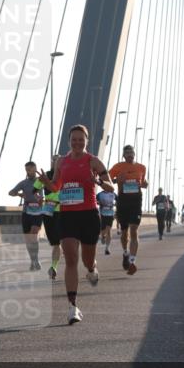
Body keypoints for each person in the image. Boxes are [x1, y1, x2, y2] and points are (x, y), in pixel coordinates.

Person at [36, 125, 113, 325]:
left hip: (88, 215)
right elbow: (56, 187)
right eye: (74, 139)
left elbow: (111, 186)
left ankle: (92, 267)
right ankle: (73, 307)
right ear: (69, 141)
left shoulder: (93, 161)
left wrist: (98, 181)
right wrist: (46, 182)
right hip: (68, 215)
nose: (77, 142)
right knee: (70, 258)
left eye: (81, 139)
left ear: (87, 141)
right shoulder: (62, 161)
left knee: (87, 260)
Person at [109, 144, 148, 275]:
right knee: (124, 233)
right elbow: (107, 179)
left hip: (136, 201)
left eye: (132, 152)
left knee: (134, 230)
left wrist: (144, 184)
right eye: (127, 153)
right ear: (123, 155)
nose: (130, 155)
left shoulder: (141, 167)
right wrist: (116, 180)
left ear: (134, 154)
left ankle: (132, 261)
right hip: (123, 201)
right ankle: (125, 253)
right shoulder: (117, 167)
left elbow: (143, 182)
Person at [8, 161, 44, 271]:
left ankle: (36, 260)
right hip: (26, 212)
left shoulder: (41, 181)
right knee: (29, 239)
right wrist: (18, 194)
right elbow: (11, 192)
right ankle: (33, 260)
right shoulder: (23, 183)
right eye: (27, 170)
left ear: (35, 169)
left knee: (33, 234)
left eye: (31, 170)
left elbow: (51, 191)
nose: (29, 172)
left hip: (38, 212)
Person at [38, 155, 62, 280]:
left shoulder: (65, 175)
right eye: (53, 160)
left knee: (62, 241)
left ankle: (56, 266)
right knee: (55, 244)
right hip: (48, 211)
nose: (55, 162)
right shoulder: (45, 175)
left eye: (58, 160)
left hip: (62, 212)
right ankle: (54, 267)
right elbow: (34, 189)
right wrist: (35, 196)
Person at [97, 186, 116, 255]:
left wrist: (115, 204)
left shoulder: (113, 194)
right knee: (103, 230)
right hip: (102, 214)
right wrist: (100, 203)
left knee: (109, 230)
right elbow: (94, 201)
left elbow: (118, 200)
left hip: (110, 214)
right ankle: (102, 236)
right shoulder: (99, 194)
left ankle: (107, 248)